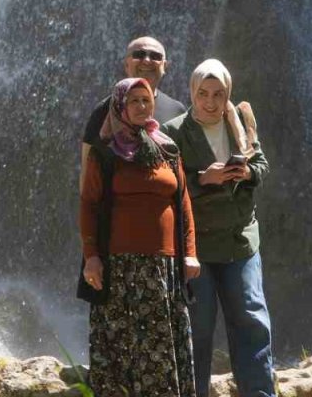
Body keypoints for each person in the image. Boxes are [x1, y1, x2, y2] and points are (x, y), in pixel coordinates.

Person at [80, 77, 200, 396]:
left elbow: (184, 203)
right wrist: (91, 257)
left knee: (162, 347)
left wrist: (190, 252)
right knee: (123, 347)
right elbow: (89, 205)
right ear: (120, 106)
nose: (141, 106)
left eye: (146, 100)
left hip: (165, 269)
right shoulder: (105, 154)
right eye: (133, 101)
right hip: (121, 268)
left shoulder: (168, 148)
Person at [162, 59, 275, 397]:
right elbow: (167, 189)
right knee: (197, 328)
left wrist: (248, 173)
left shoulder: (238, 121)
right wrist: (203, 179)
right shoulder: (173, 132)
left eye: (218, 94)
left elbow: (261, 163)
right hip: (197, 246)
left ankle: (259, 393)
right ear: (192, 93)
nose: (210, 102)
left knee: (252, 321)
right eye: (203, 94)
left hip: (241, 241)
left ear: (228, 93)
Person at [80, 37, 187, 180]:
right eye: (139, 54)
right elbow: (88, 171)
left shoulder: (177, 110)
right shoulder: (107, 109)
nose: (147, 60)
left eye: (155, 56)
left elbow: (183, 169)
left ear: (164, 66)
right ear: (126, 65)